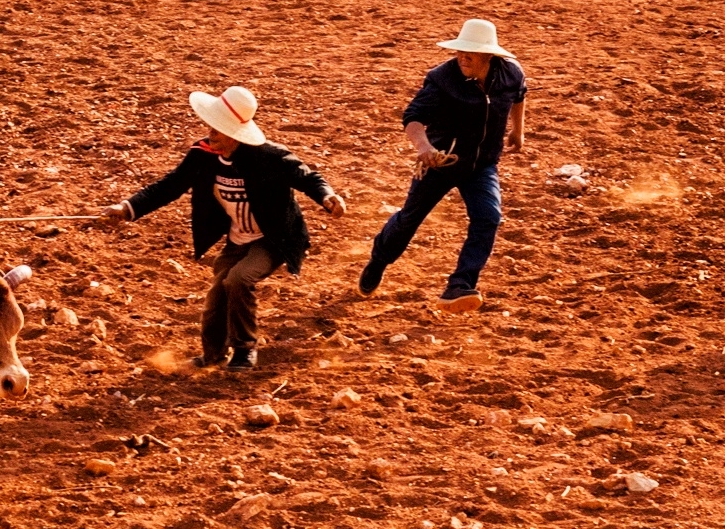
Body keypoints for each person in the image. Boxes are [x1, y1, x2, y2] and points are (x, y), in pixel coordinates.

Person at [98, 85, 346, 371]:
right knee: (218, 292)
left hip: (273, 238)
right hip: (238, 238)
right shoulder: (202, 155)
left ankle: (245, 349)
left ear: (234, 134)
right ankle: (213, 355)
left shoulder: (271, 157)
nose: (210, 134)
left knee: (239, 279)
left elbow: (308, 178)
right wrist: (127, 208)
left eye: (217, 129)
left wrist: (328, 196)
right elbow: (170, 186)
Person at [359, 18, 527, 312]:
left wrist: (518, 130)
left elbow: (519, 96)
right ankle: (379, 259)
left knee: (488, 217)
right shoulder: (442, 78)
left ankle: (460, 285)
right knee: (409, 219)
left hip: (482, 164)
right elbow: (413, 116)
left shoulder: (511, 74)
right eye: (460, 51)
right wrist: (424, 147)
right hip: (439, 164)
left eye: (470, 52)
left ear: (489, 55)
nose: (462, 57)